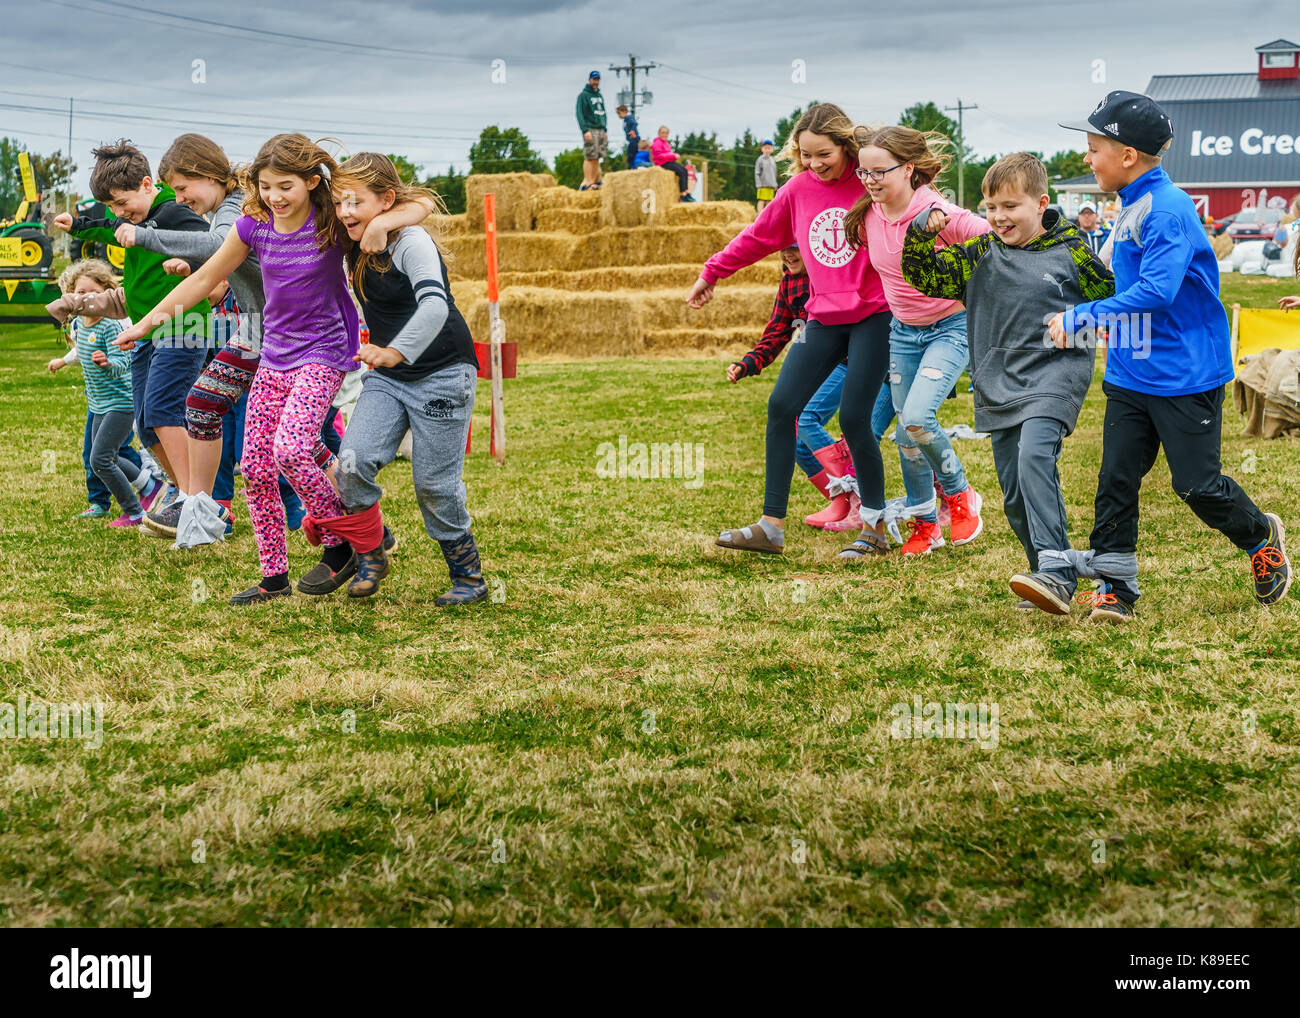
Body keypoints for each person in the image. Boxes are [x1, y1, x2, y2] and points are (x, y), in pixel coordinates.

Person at [117, 134, 433, 604]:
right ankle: (274, 576)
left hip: (324, 353)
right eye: (266, 187)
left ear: (311, 181)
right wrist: (144, 324)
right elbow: (205, 277)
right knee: (258, 468)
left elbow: (420, 202)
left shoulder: (331, 219)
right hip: (274, 353)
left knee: (291, 449)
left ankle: (340, 540)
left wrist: (383, 222)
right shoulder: (253, 226)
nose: (275, 197)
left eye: (285, 186)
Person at [1046, 91, 1290, 620]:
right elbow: (1116, 276)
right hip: (1133, 370)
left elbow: (1157, 290)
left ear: (1127, 154)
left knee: (1197, 486)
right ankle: (1116, 586)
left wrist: (1082, 318)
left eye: (1094, 149)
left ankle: (1259, 536)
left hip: (1186, 373)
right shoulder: (1130, 202)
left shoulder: (1168, 208)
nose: (1087, 160)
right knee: (1116, 477)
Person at [902, 152, 1115, 611]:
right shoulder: (980, 254)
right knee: (1015, 494)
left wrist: (1102, 322)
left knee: (1034, 457)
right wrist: (921, 236)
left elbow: (1114, 294)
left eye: (1010, 206)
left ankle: (1057, 572)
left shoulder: (1073, 249)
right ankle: (1045, 572)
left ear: (1040, 203)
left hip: (1055, 376)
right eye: (990, 208)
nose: (998, 217)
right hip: (997, 382)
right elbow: (924, 277)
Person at [687, 102, 894, 560]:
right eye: (805, 155)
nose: (815, 164)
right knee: (782, 406)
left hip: (874, 315)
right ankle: (771, 526)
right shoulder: (798, 190)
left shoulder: (871, 180)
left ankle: (875, 528)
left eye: (824, 155)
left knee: (856, 418)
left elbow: (919, 208)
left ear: (846, 147)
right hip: (823, 315)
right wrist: (713, 272)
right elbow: (758, 235)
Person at [330, 153, 489, 604]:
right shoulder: (350, 238)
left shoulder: (411, 242)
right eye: (339, 202)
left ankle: (468, 577)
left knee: (434, 484)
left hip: (442, 371)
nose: (344, 212)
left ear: (385, 200)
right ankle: (373, 548)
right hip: (389, 376)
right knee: (353, 462)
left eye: (355, 202)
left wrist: (393, 351)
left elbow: (435, 307)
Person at [843, 125, 990, 556]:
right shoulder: (870, 214)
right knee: (907, 437)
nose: (869, 181)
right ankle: (925, 526)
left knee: (917, 418)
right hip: (902, 332)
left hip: (950, 328)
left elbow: (996, 237)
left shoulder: (940, 213)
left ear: (908, 169)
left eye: (878, 172)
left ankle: (962, 494)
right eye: (863, 173)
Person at [52, 140, 211, 508]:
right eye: (111, 205)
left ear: (145, 184)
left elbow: (213, 244)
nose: (119, 212)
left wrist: (189, 264)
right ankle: (183, 492)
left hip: (183, 328)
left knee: (162, 411)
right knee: (144, 423)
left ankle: (196, 501)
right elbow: (109, 228)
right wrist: (78, 225)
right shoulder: (127, 219)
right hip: (144, 333)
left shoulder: (173, 211)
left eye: (122, 203)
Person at [727, 244, 859, 530]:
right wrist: (749, 362)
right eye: (782, 249)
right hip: (819, 363)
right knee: (797, 440)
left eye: (794, 248)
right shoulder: (789, 282)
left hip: (849, 360)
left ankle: (855, 495)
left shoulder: (827, 273)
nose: (787, 254)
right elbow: (777, 331)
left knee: (806, 419)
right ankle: (842, 500)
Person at [48, 260, 151, 526]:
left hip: (120, 402)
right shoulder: (80, 325)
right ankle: (149, 486)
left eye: (89, 292)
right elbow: (79, 354)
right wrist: (63, 361)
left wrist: (107, 363)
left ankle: (135, 512)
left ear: (106, 292)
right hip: (98, 404)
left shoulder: (110, 325)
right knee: (103, 457)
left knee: (101, 460)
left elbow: (123, 363)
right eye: (78, 293)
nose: (83, 298)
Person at [576, 70, 607, 191]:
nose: (596, 82)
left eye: (597, 79)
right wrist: (585, 130)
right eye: (594, 79)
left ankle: (594, 182)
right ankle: (588, 181)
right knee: (590, 156)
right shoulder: (583, 95)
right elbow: (579, 114)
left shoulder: (599, 96)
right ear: (589, 80)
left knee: (597, 156)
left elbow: (603, 113)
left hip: (600, 129)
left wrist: (605, 129)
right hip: (590, 128)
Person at [651, 127, 694, 202]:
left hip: (668, 162)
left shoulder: (666, 143)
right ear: (659, 134)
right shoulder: (657, 143)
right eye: (663, 133)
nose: (664, 135)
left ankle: (686, 192)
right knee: (680, 172)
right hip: (661, 163)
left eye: (666, 133)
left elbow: (668, 154)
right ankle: (683, 194)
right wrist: (673, 156)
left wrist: (674, 157)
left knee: (684, 170)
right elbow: (659, 156)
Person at [755, 139, 778, 212]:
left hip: (771, 185)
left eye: (769, 148)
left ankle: (767, 216)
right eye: (766, 148)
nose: (767, 150)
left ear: (772, 149)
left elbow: (774, 173)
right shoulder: (760, 159)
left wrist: (775, 185)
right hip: (762, 185)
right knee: (761, 200)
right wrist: (758, 185)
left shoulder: (772, 160)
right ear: (762, 149)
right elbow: (757, 173)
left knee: (769, 202)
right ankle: (759, 216)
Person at [617, 103, 640, 168]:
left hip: (634, 140)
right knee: (629, 155)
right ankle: (631, 168)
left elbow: (634, 123)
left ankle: (632, 168)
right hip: (631, 141)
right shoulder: (625, 120)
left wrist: (632, 131)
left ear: (624, 111)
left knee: (631, 155)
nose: (619, 115)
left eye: (619, 113)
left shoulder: (628, 118)